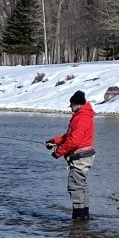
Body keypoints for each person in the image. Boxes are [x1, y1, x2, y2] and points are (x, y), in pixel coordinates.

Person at [45, 90, 96, 220]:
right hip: (84, 156)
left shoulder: (81, 118)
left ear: (77, 104)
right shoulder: (82, 115)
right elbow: (70, 137)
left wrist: (58, 153)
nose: (71, 108)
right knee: (81, 186)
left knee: (75, 187)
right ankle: (84, 216)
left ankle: (79, 218)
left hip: (80, 158)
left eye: (71, 105)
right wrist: (54, 141)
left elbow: (74, 141)